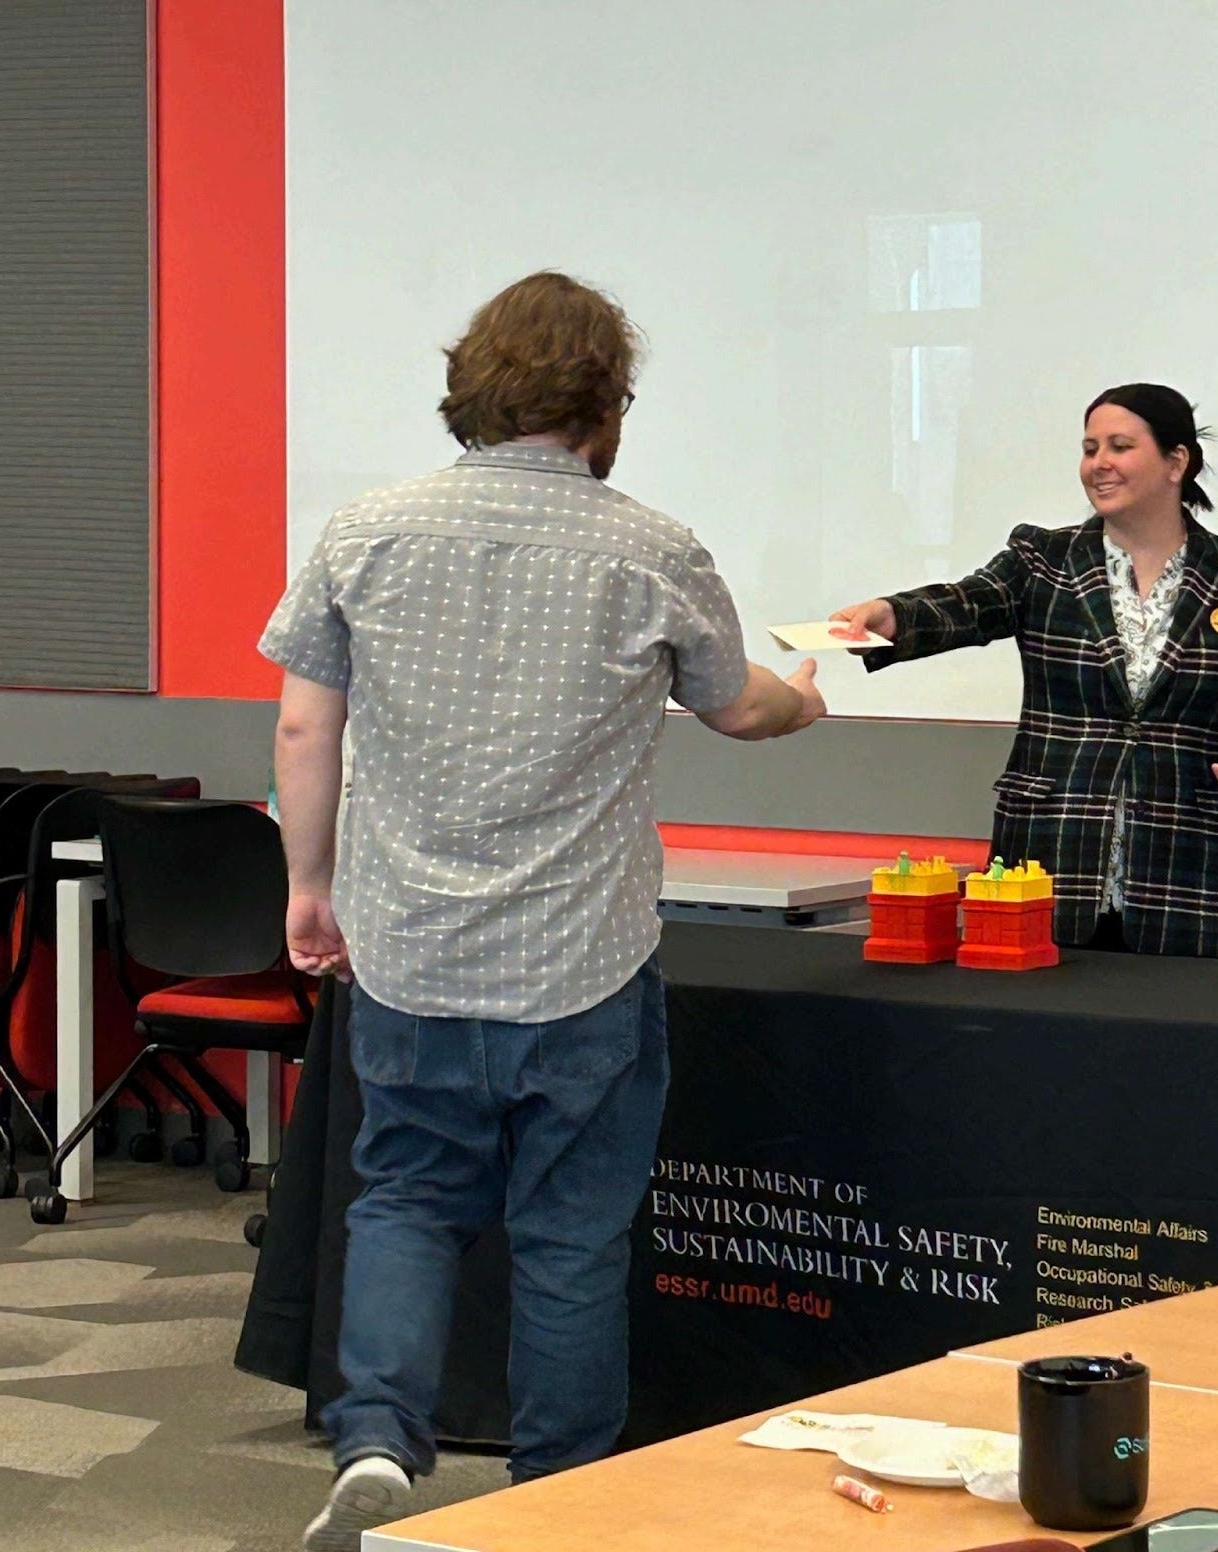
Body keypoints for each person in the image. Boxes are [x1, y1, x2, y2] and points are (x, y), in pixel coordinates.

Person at [259, 271, 824, 1551]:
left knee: (403, 1201)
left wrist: (310, 883)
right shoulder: (650, 546)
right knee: (570, 1239)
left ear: (473, 384)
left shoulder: (368, 530)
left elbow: (305, 723)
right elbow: (740, 707)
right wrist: (806, 696)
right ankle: (562, 1496)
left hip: (411, 953)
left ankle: (378, 1450)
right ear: (605, 401)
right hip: (583, 963)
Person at [833, 383, 1218, 957]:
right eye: (1089, 449)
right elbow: (967, 603)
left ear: (1175, 461)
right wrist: (892, 614)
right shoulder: (1043, 559)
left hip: (1184, 866)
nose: (1098, 464)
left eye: (1119, 446)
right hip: (1049, 854)